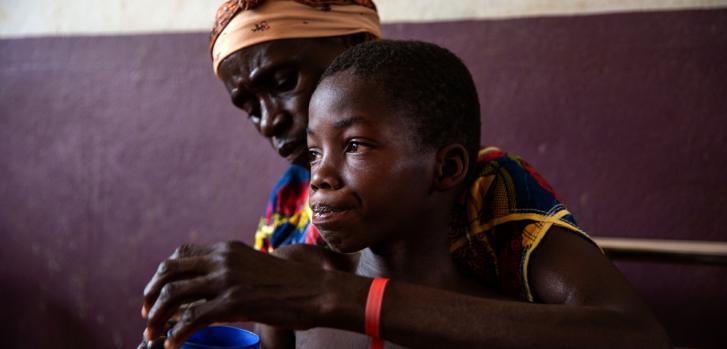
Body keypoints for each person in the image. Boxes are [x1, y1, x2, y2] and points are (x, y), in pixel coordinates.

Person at [139, 2, 670, 348]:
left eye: (281, 80)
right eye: (247, 106)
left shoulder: (485, 187)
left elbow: (632, 334)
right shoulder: (289, 205)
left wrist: (338, 297)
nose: (269, 119)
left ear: (360, 52)